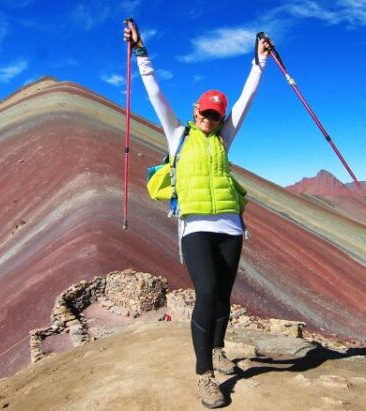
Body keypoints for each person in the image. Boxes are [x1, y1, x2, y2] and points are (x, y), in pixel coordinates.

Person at [124, 20, 271, 409]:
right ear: (195, 111)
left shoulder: (225, 137)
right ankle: (205, 375)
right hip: (195, 227)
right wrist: (142, 52)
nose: (210, 119)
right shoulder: (178, 135)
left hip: (231, 226)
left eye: (215, 116)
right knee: (205, 291)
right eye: (205, 113)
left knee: (223, 293)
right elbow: (155, 94)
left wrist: (258, 63)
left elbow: (246, 101)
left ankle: (219, 349)